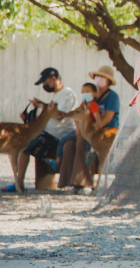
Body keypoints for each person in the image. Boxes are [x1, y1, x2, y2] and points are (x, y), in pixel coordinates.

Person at [4, 68, 78, 193]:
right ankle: (18, 182)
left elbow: (61, 115)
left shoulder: (67, 94)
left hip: (58, 134)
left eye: (46, 82)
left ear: (54, 79)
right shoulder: (56, 95)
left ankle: (19, 183)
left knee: (23, 146)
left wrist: (41, 106)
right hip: (48, 133)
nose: (44, 85)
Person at [69, 66, 120, 195]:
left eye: (103, 78)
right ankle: (75, 182)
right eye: (97, 77)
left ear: (108, 81)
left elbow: (107, 118)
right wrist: (79, 128)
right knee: (70, 143)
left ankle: (88, 184)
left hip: (106, 131)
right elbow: (81, 113)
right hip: (91, 131)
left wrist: (96, 125)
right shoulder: (90, 97)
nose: (99, 80)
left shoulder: (113, 97)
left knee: (85, 144)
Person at [57, 83, 100, 189]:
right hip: (81, 131)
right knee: (66, 143)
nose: (84, 94)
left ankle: (86, 182)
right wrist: (78, 129)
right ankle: (67, 182)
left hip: (90, 133)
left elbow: (98, 121)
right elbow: (77, 118)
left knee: (83, 145)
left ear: (94, 94)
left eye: (87, 91)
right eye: (83, 92)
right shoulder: (83, 105)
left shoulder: (93, 106)